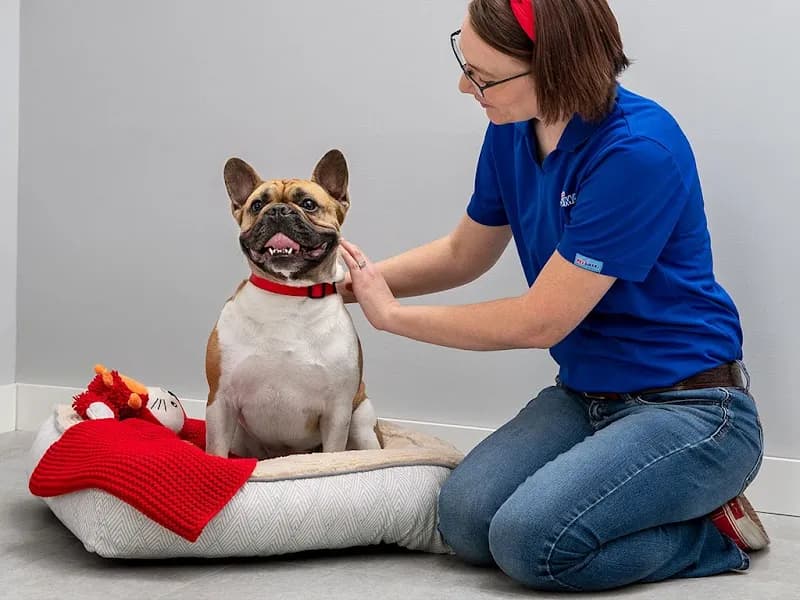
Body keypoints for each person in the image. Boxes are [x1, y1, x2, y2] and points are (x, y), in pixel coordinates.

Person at [337, 0, 768, 592]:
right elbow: (465, 254)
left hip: (691, 410)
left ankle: (713, 533)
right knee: (463, 521)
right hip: (585, 396)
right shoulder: (511, 130)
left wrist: (393, 318)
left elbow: (540, 322)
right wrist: (348, 288)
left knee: (530, 544)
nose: (465, 85)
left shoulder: (637, 152)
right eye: (466, 61)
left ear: (558, 66)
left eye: (484, 76)